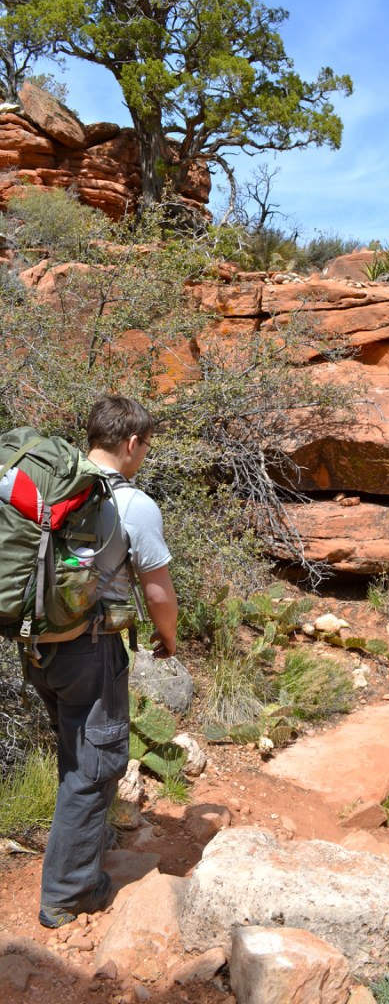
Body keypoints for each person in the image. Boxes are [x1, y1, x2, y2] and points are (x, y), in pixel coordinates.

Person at [23, 396, 178, 929]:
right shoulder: (133, 503)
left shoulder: (51, 486)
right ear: (132, 443)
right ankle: (69, 893)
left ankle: (78, 854)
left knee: (76, 754)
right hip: (90, 648)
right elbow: (157, 590)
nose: (144, 455)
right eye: (145, 446)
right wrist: (169, 637)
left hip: (36, 646)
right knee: (97, 766)